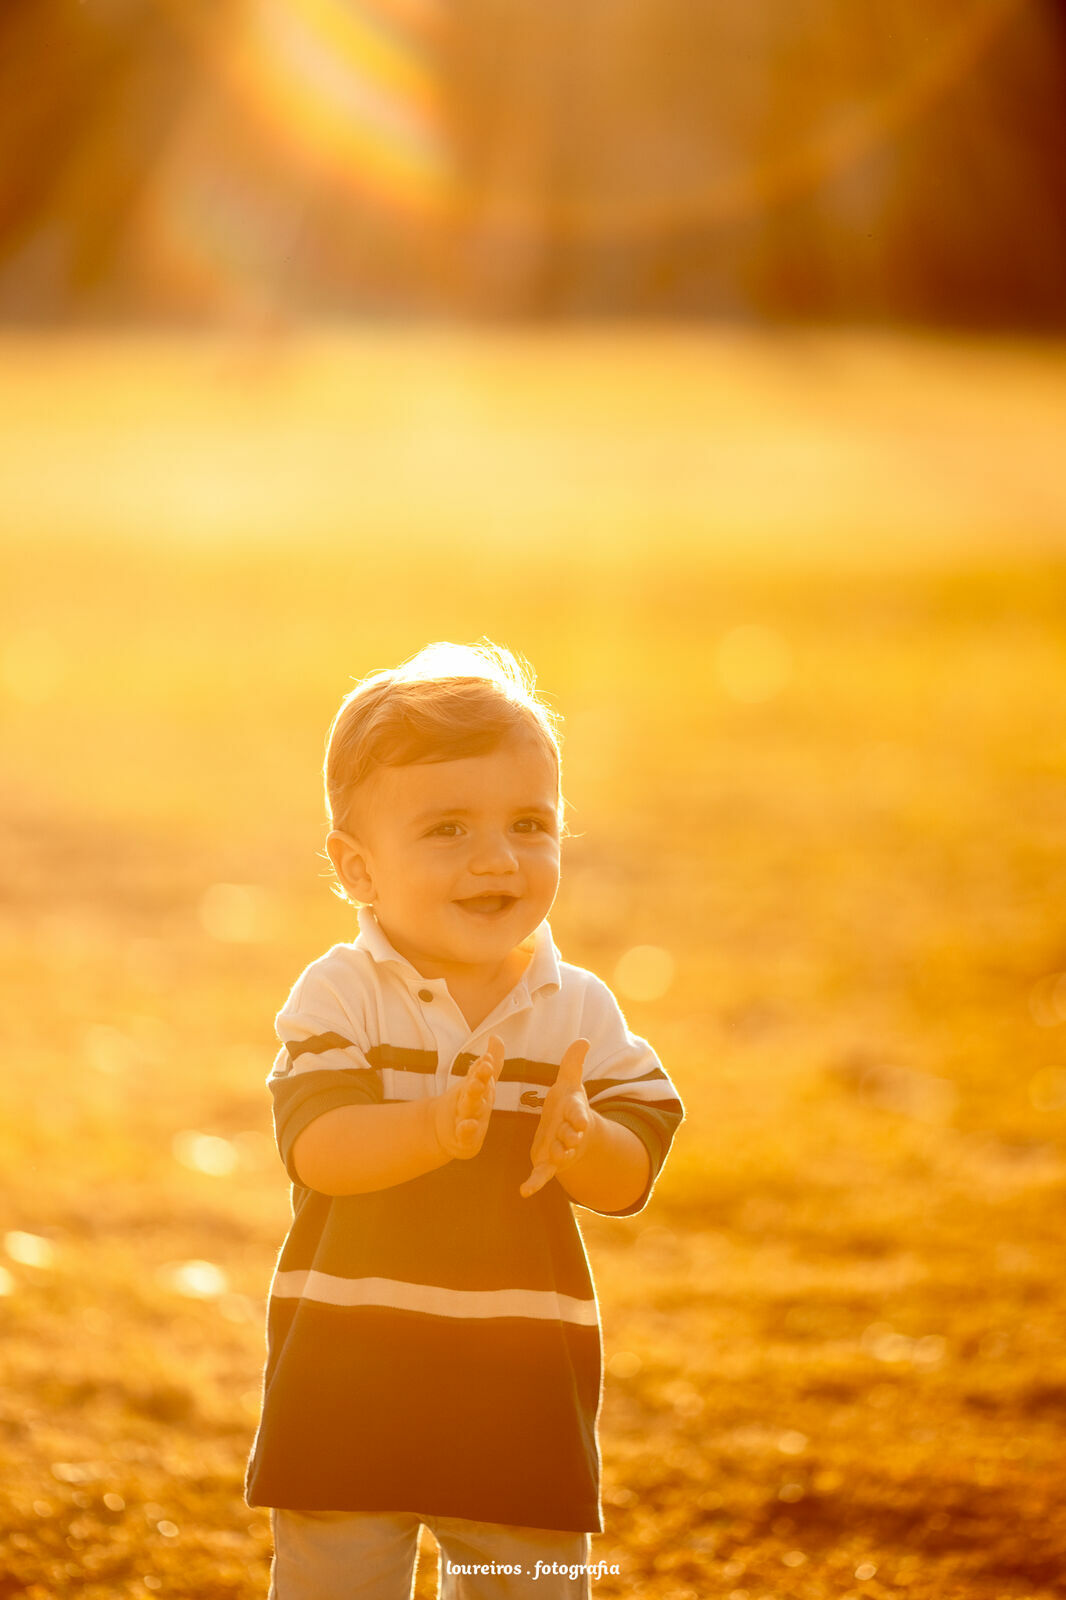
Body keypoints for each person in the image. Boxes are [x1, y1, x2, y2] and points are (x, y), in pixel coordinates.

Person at [245, 640, 684, 1599]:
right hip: (347, 1379)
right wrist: (438, 1127)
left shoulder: (576, 1009)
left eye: (530, 823)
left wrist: (586, 1144)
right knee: (338, 1580)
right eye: (447, 829)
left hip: (517, 1389)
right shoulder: (342, 995)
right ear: (357, 869)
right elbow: (319, 1149)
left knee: (517, 1580)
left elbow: (632, 1172)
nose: (497, 858)